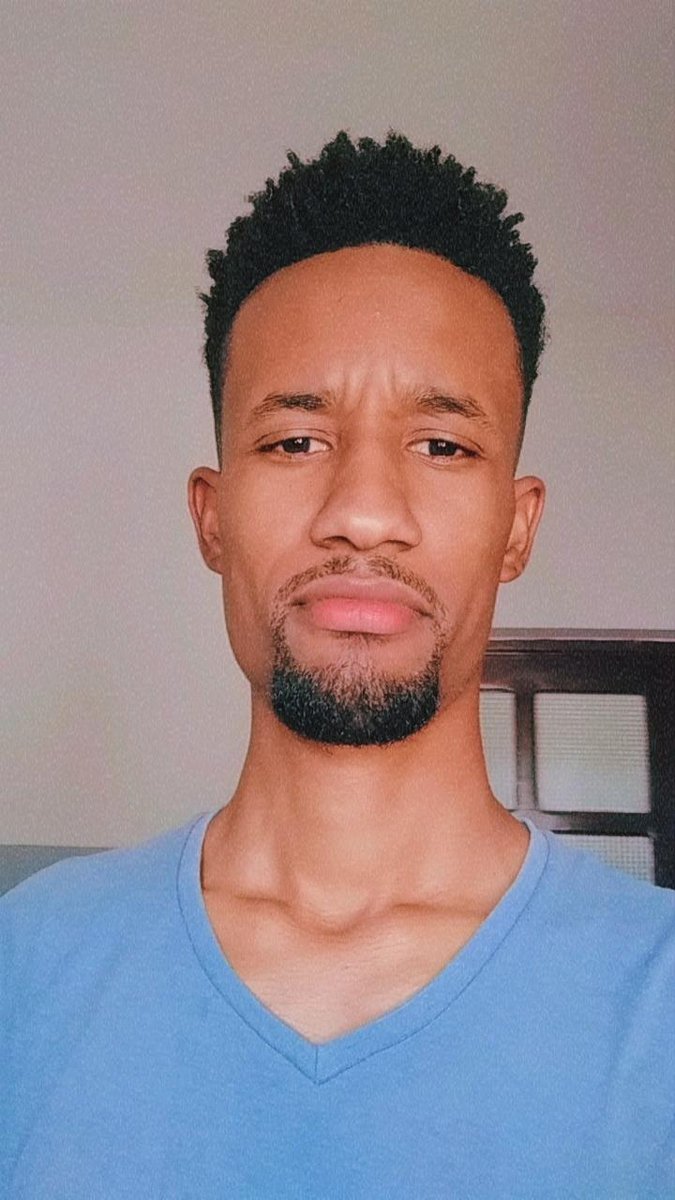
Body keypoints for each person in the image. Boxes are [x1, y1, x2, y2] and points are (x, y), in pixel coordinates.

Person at [2, 131, 673, 1199]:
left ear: (515, 526)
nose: (363, 510)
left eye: (442, 445)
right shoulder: (27, 966)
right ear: (212, 516)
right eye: (295, 442)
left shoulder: (657, 999)